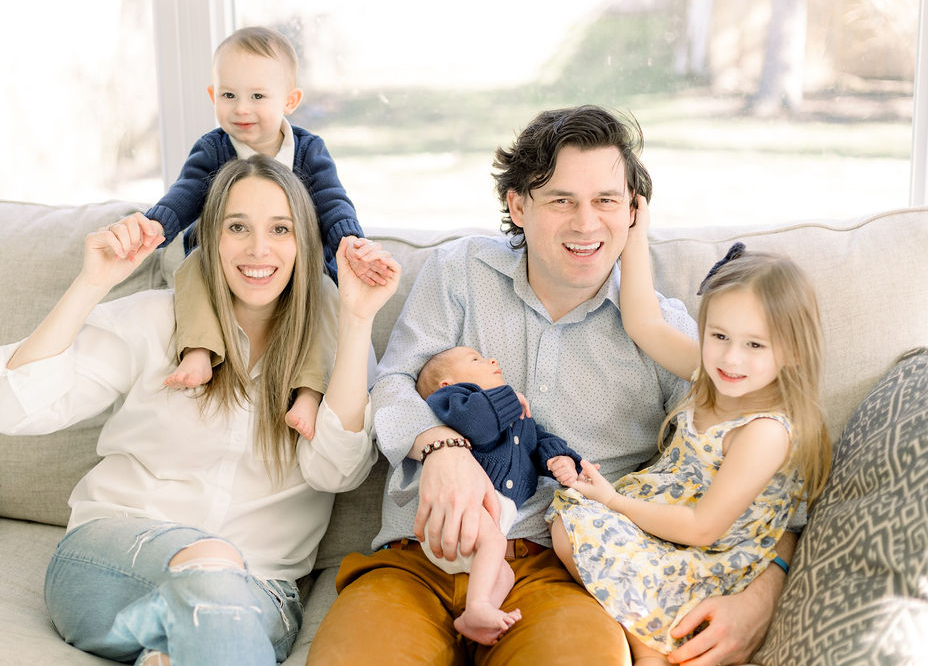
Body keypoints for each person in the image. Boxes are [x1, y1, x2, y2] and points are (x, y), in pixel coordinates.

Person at [309, 105, 797, 666]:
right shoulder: (459, 273)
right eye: (562, 199)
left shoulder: (669, 334)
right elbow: (393, 382)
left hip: (565, 576)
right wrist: (440, 448)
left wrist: (765, 591)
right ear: (518, 206)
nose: (586, 223)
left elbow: (756, 458)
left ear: (633, 213)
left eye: (606, 201)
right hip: (420, 557)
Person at [0, 156, 400, 665]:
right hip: (114, 561)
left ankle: (167, 653)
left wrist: (357, 321)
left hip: (259, 590)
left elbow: (336, 470)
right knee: (211, 569)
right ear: (211, 238)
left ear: (304, 244)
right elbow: (10, 409)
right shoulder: (157, 319)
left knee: (206, 621)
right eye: (237, 227)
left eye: (280, 229)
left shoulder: (335, 343)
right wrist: (93, 283)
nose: (258, 249)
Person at [548, 199, 832, 665]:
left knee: (579, 523)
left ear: (793, 352)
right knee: (568, 521)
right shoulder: (708, 375)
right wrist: (634, 235)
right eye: (719, 336)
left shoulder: (764, 431)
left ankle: (650, 648)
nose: (731, 358)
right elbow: (643, 323)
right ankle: (645, 639)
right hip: (668, 528)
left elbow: (704, 528)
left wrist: (613, 501)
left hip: (707, 555)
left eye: (754, 344)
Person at [143, 25, 388, 441]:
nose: (242, 108)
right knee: (193, 267)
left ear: (289, 101)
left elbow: (331, 200)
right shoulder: (213, 148)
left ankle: (309, 393)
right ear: (212, 96)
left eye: (258, 96)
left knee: (324, 299)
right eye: (228, 95)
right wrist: (156, 224)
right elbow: (185, 193)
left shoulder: (309, 151)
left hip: (295, 269)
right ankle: (199, 350)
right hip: (222, 264)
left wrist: (349, 240)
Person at [415, 346, 583, 645]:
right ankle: (478, 604)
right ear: (448, 384)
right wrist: (506, 397)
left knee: (504, 573)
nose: (492, 360)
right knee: (494, 543)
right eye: (476, 360)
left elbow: (540, 440)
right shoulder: (452, 401)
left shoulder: (519, 420)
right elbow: (474, 422)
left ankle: (477, 614)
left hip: (490, 519)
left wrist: (563, 461)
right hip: (459, 509)